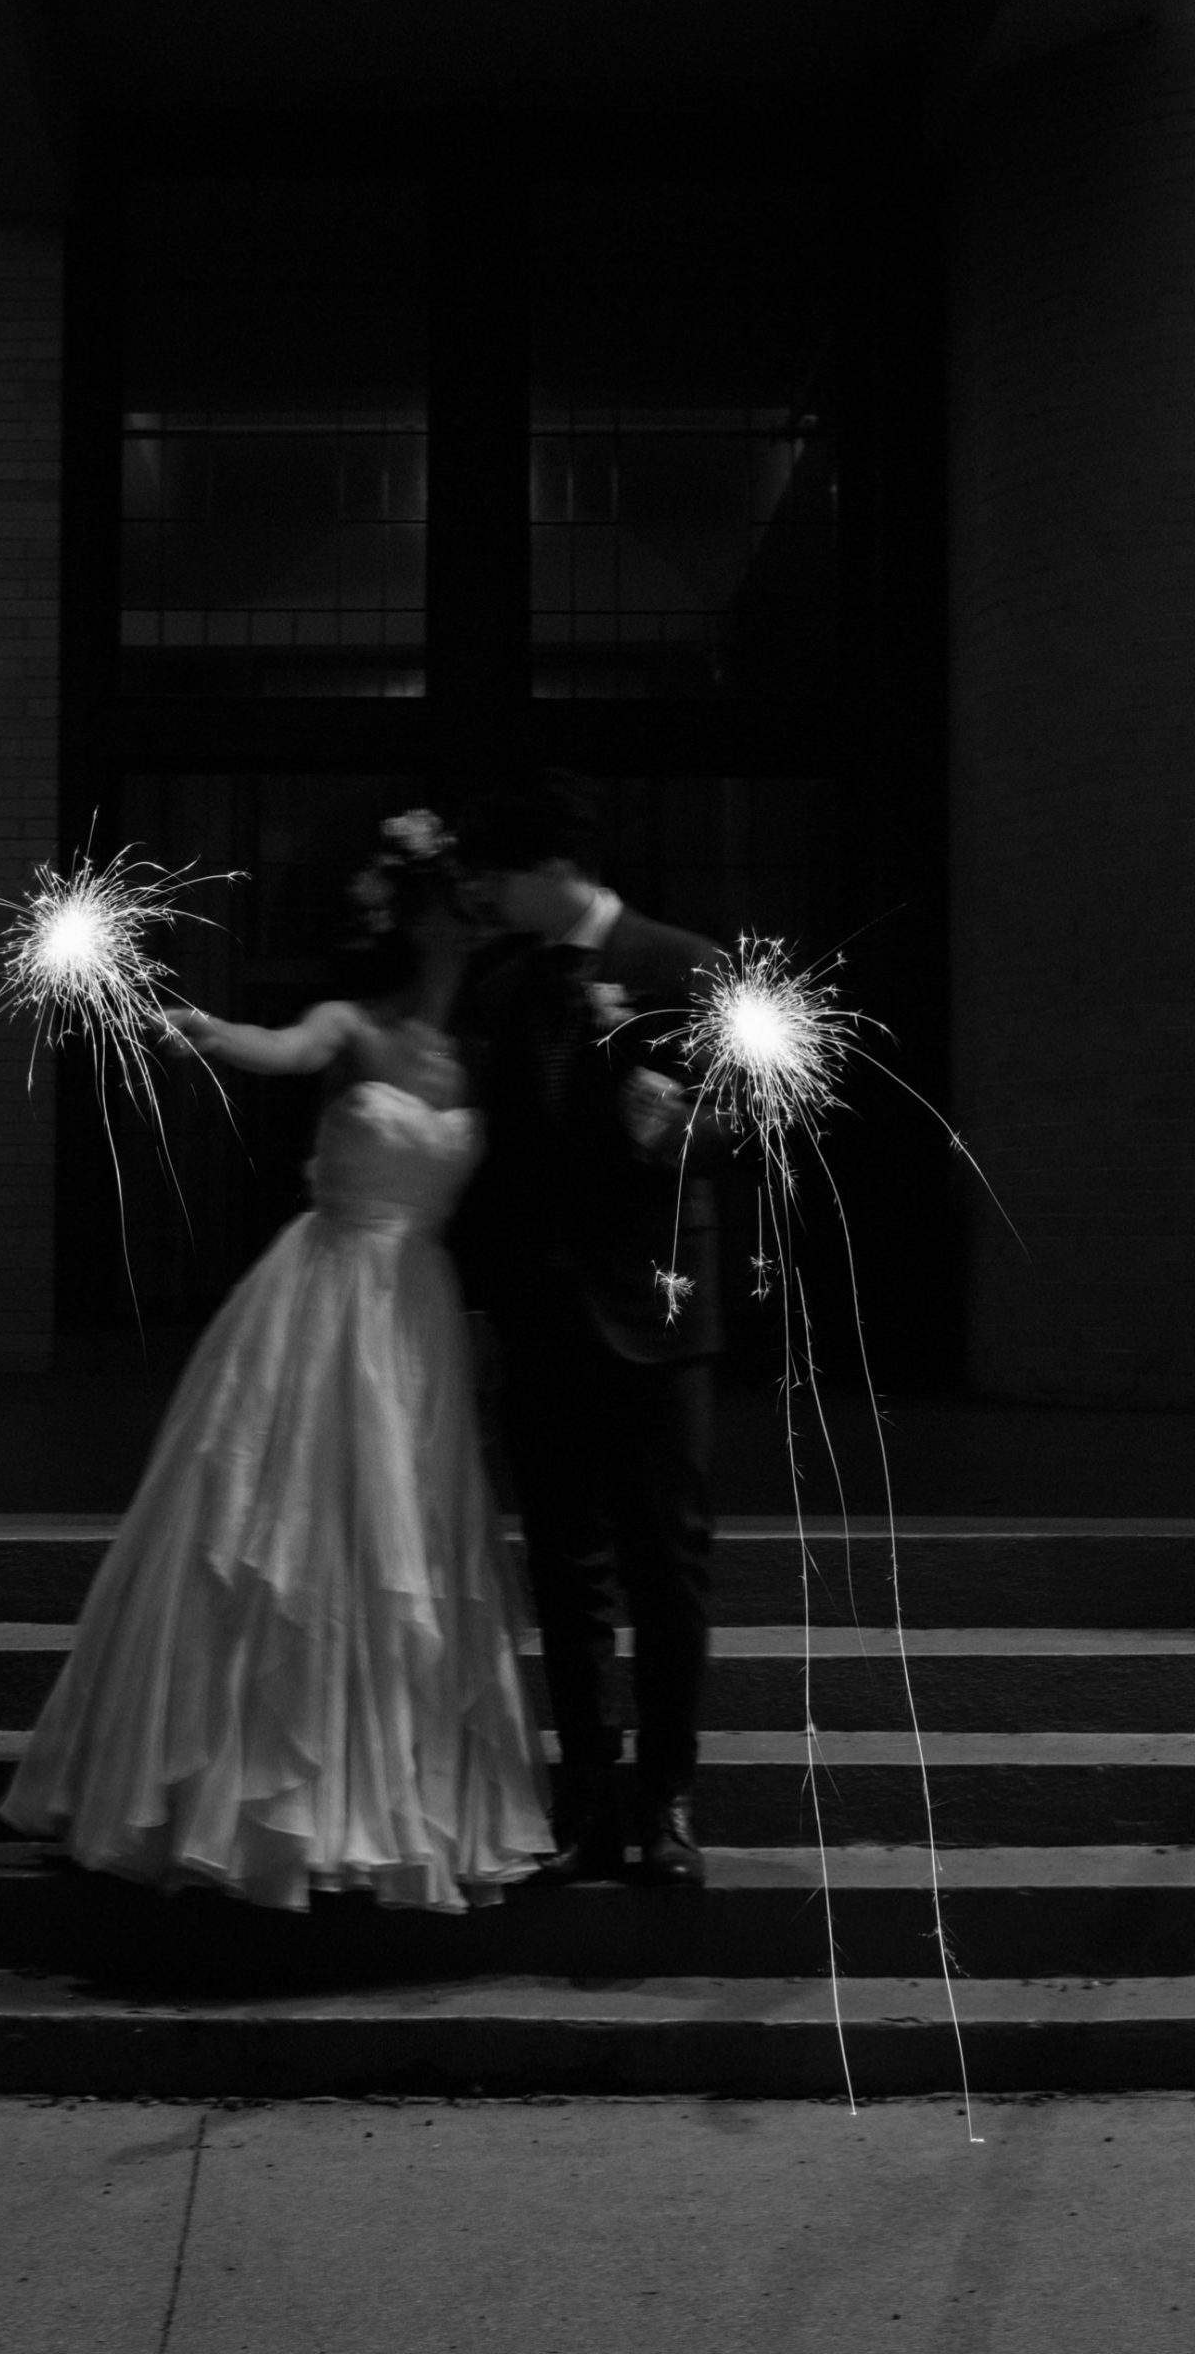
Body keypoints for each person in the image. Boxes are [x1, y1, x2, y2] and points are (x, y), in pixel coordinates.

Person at [0, 812, 553, 1913]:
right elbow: (280, 1047)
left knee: (404, 1538)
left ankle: (391, 1799)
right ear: (416, 918)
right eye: (452, 903)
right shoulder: (350, 1023)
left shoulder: (479, 1057)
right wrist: (207, 1029)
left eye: (471, 907)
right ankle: (249, 1797)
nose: (468, 919)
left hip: (421, 1314)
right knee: (286, 1535)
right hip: (326, 1290)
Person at [454, 774, 730, 1889]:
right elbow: (496, 1164)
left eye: (501, 875)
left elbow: (765, 1115)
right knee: (565, 1573)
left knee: (667, 1567)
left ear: (553, 871)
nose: (488, 894)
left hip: (658, 1315)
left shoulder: (682, 962)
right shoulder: (503, 980)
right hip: (541, 1317)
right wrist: (482, 1307)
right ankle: (585, 1801)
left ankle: (666, 1799)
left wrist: (673, 1126)